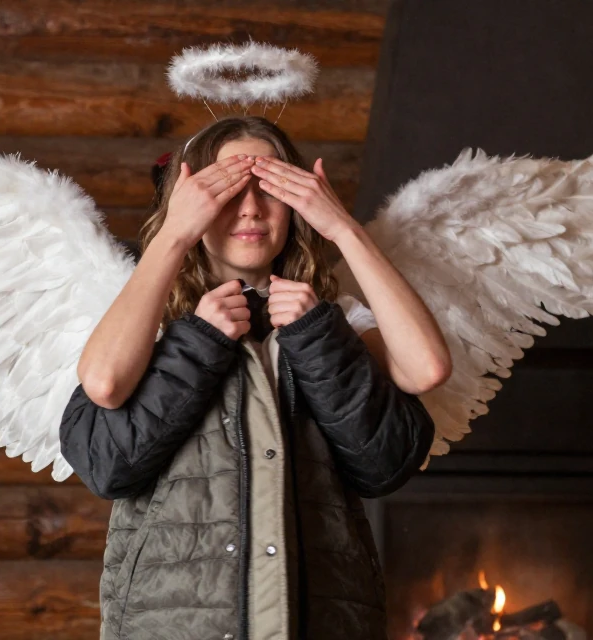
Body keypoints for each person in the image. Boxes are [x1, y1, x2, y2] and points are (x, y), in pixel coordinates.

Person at [59, 116, 452, 640]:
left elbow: (428, 368)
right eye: (226, 190)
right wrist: (176, 237)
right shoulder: (143, 318)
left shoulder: (333, 319)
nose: (250, 208)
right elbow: (104, 390)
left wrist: (342, 228)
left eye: (269, 189)